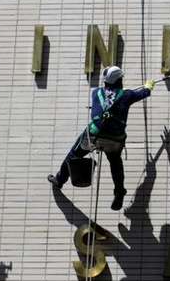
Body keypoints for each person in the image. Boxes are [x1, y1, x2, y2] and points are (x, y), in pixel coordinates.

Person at [48, 66, 156, 210]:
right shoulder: (127, 95)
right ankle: (119, 192)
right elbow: (145, 92)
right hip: (114, 140)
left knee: (74, 154)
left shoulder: (96, 93)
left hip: (94, 136)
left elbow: (105, 102)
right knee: (115, 163)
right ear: (119, 80)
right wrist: (149, 86)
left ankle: (60, 179)